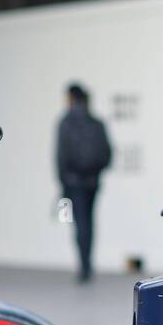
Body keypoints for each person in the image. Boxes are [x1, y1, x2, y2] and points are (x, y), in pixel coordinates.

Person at [55, 83, 112, 282]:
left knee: (80, 224)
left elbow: (60, 156)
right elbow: (107, 153)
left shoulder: (66, 123)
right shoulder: (96, 123)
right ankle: (87, 264)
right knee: (89, 222)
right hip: (92, 182)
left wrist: (63, 182)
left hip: (73, 183)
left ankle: (84, 266)